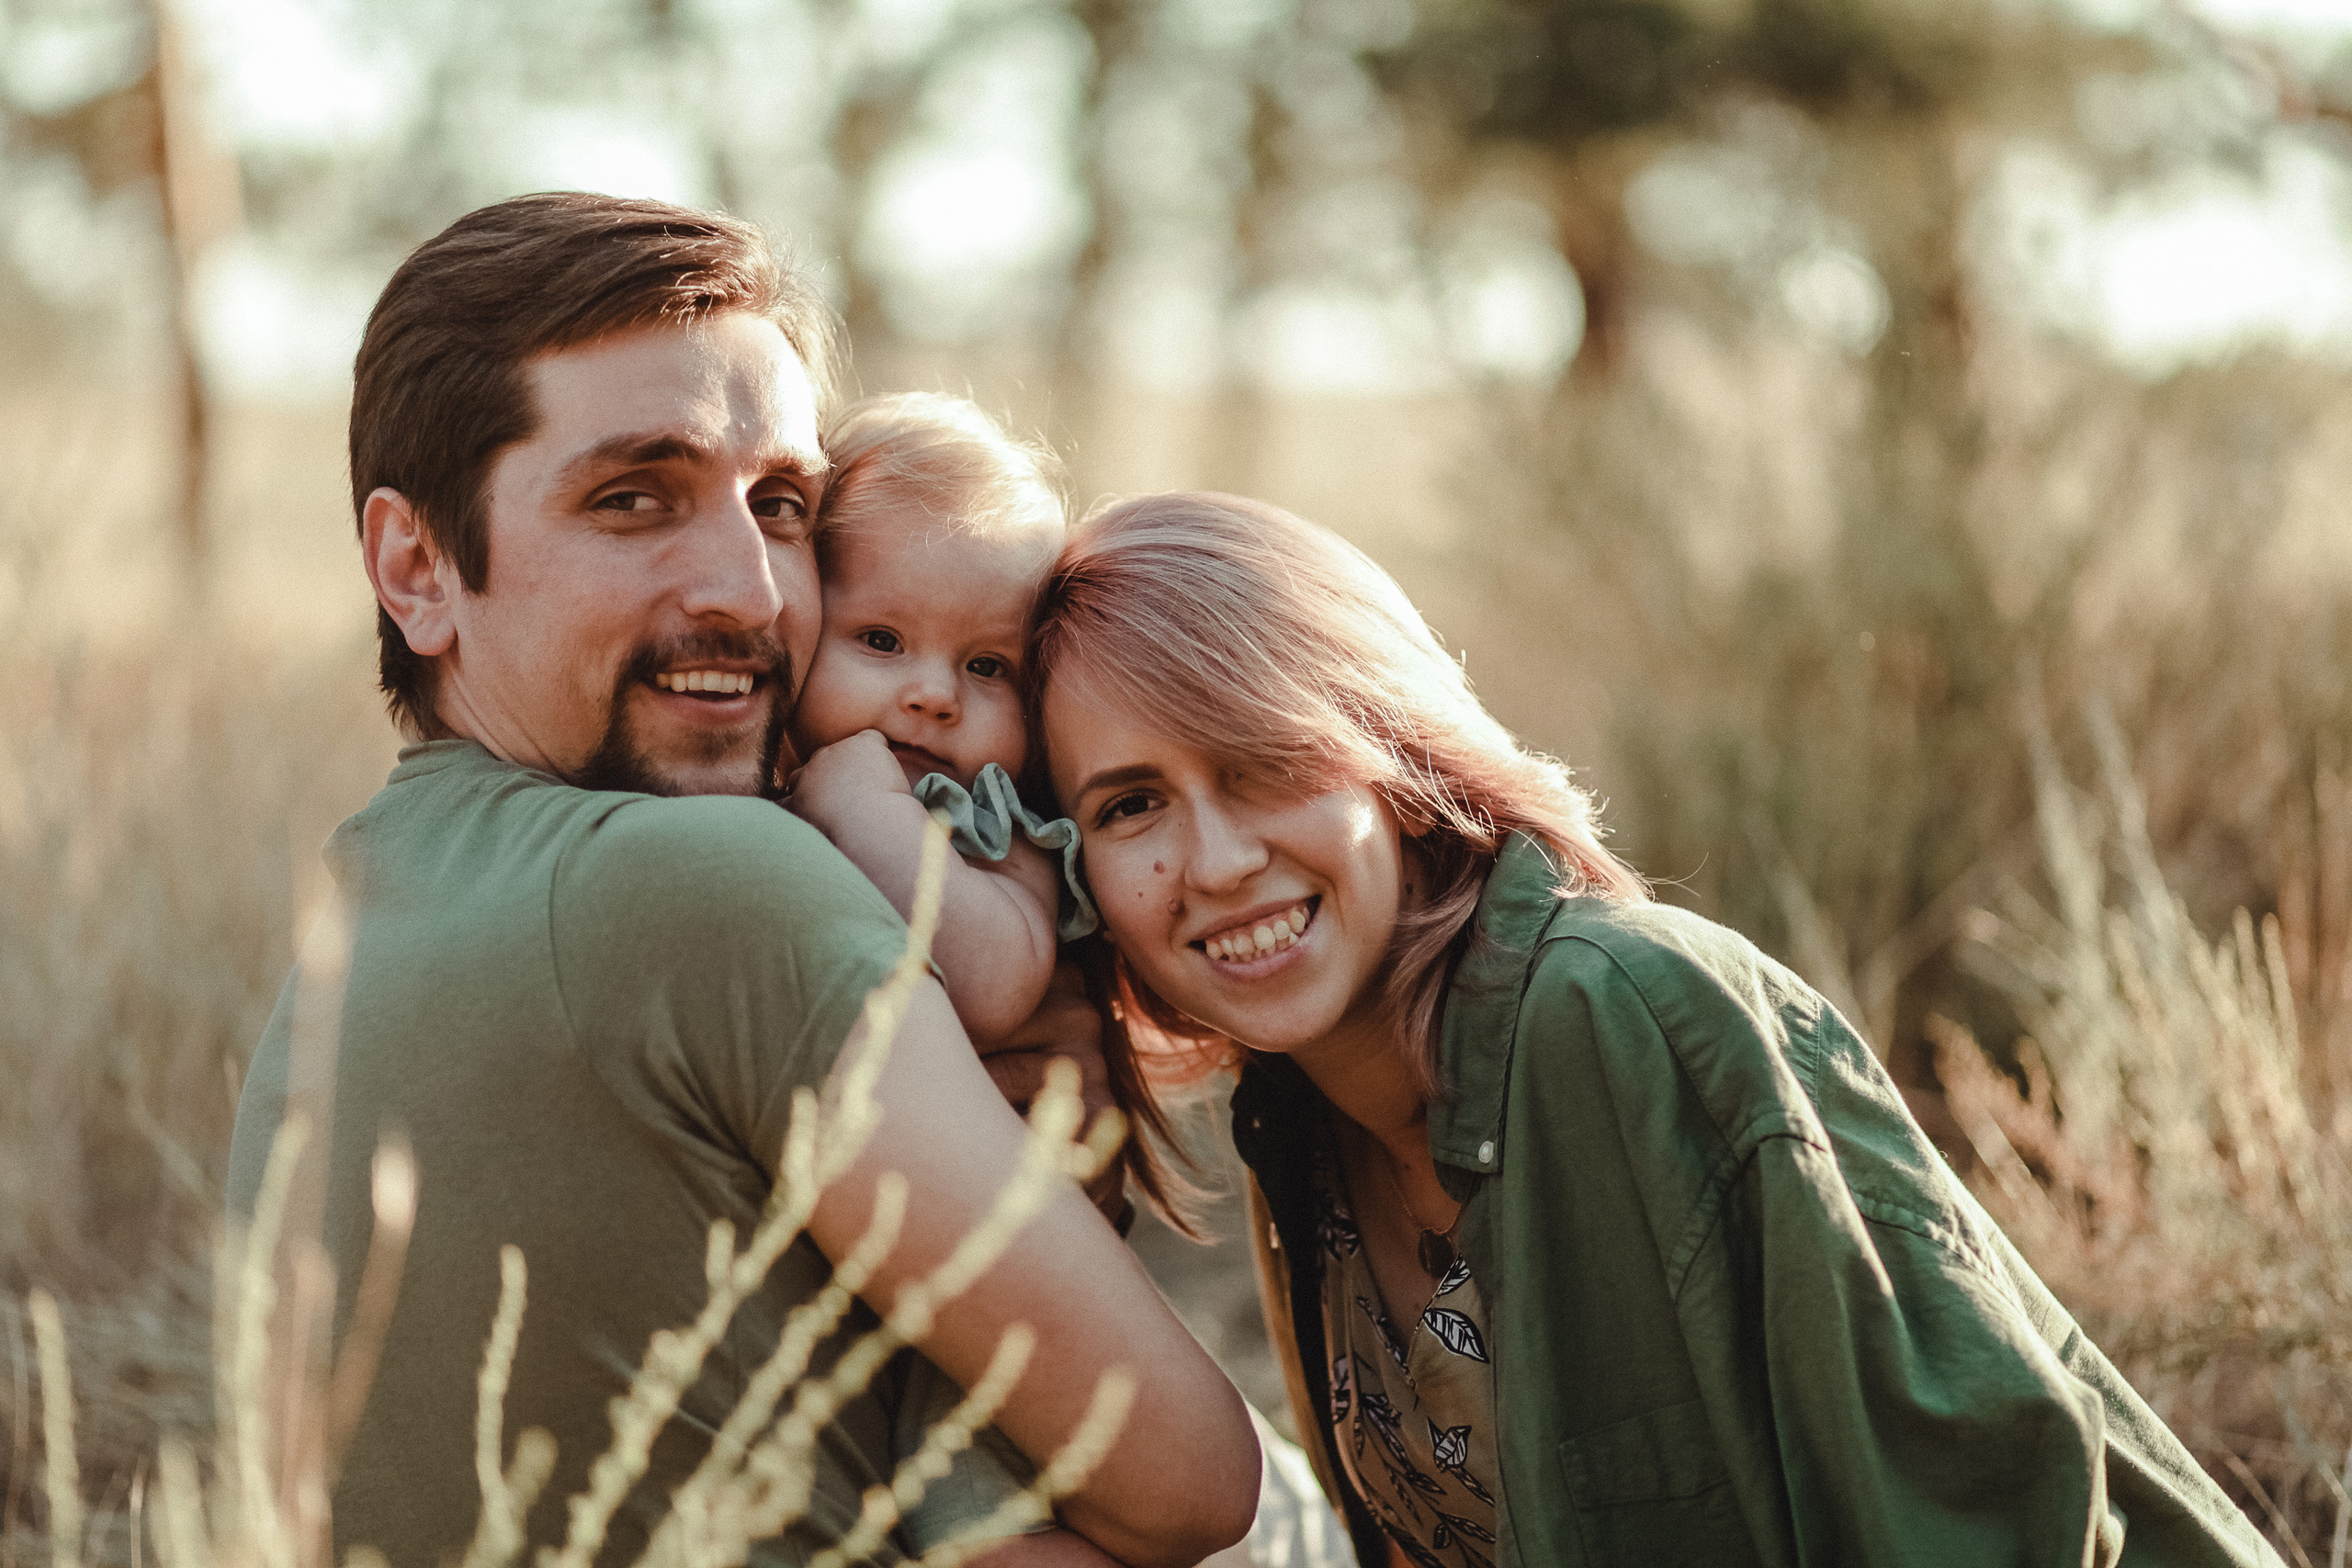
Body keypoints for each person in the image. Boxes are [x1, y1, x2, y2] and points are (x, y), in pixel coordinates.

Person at [225, 196, 1258, 1568]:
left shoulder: (356, 909)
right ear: (418, 568)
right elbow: (1193, 1483)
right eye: (632, 498)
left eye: (780, 506)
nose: (751, 593)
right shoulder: (715, 883)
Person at [1031, 491, 2282, 1568]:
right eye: (1133, 805)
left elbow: (1987, 1521)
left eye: (1262, 761)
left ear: (1389, 756)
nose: (1218, 859)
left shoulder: (1611, 1014)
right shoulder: (1296, 1118)